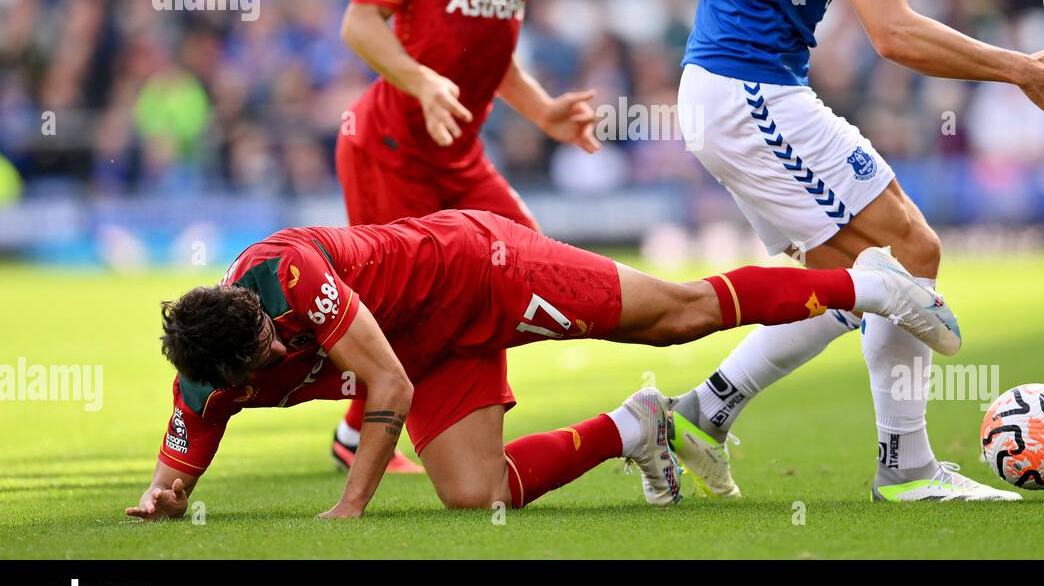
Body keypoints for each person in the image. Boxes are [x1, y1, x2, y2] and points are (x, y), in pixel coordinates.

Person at [537, 0, 1044, 503]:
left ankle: (696, 417)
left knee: (865, 273)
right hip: (749, 91)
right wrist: (1015, 66)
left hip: (740, 88)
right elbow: (892, 34)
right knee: (901, 258)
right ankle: (907, 468)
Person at [127, 208, 949, 519]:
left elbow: (387, 386)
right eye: (263, 356)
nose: (280, 343)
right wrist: (162, 502)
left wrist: (349, 508)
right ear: (225, 385)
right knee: (474, 496)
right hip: (427, 346)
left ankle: (864, 283)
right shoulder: (203, 384)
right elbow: (169, 478)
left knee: (676, 317)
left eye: (273, 335)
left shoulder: (286, 277)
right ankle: (639, 426)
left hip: (479, 270)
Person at [332, 0, 599, 473]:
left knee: (531, 262)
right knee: (393, 303)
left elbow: (492, 51)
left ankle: (391, 420)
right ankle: (365, 430)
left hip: (460, 154)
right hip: (387, 145)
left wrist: (543, 110)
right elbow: (360, 22)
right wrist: (418, 79)